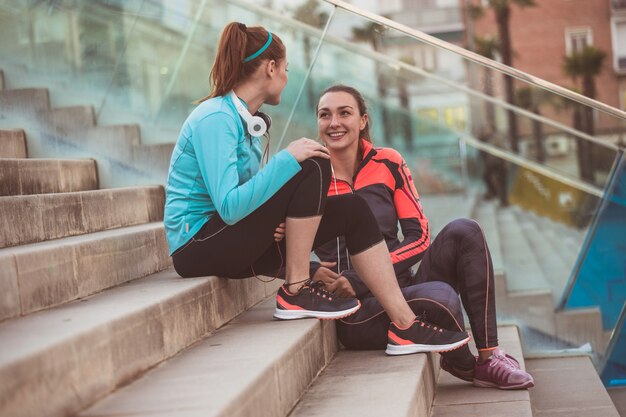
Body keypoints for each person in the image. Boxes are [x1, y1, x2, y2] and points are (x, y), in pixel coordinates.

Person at [163, 22, 471, 355]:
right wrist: (285, 161)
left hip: (230, 240)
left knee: (353, 209)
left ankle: (405, 326)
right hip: (197, 246)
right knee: (311, 160)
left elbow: (249, 203)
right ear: (270, 68)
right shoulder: (215, 118)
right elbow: (230, 207)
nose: (286, 76)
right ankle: (295, 291)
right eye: (285, 69)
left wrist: (277, 225)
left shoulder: (245, 122)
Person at [307, 84, 534, 390]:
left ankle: (489, 355)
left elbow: (419, 235)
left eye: (344, 113)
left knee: (465, 231)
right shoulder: (310, 177)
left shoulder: (388, 162)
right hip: (357, 310)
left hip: (401, 284)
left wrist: (365, 276)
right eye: (325, 115)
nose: (334, 122)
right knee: (441, 299)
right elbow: (276, 245)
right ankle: (464, 364)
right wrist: (312, 272)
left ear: (362, 120)